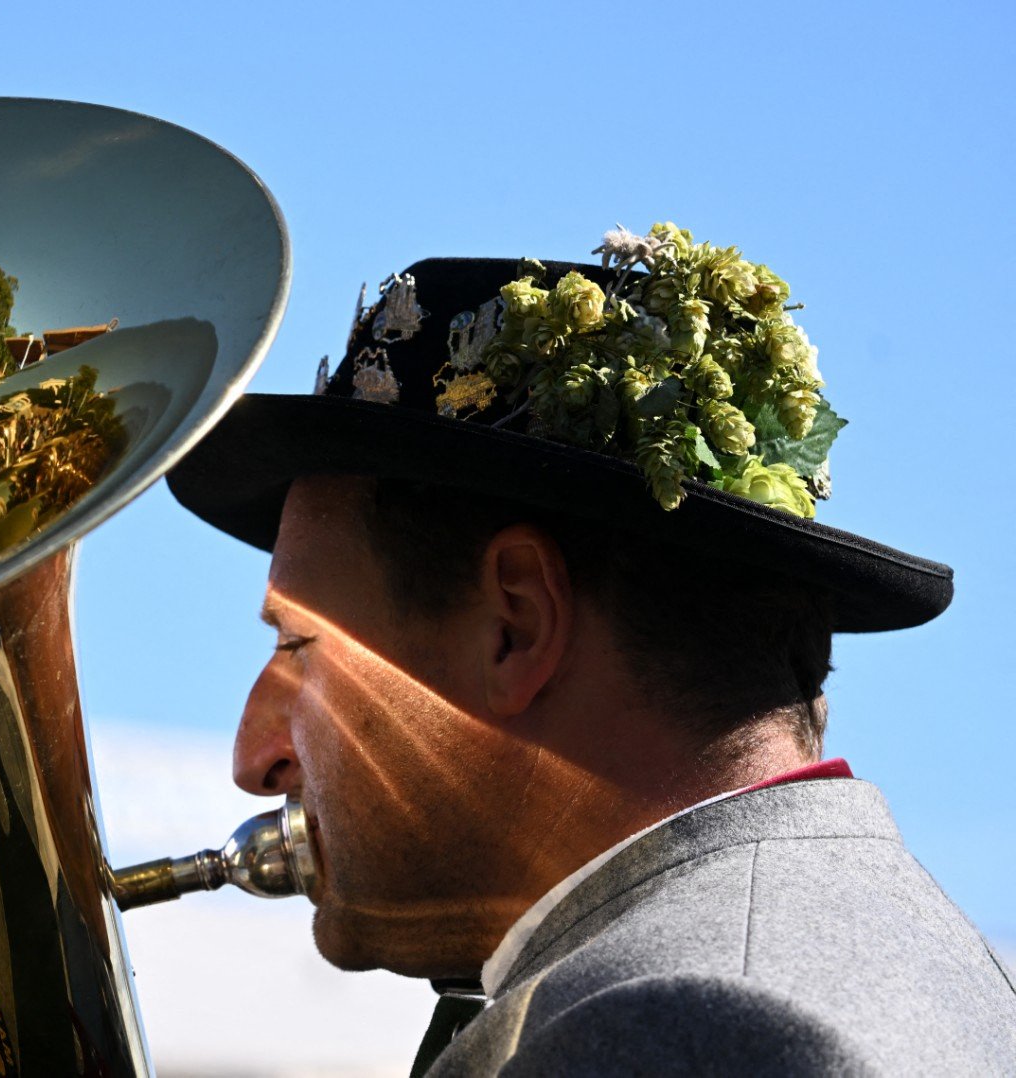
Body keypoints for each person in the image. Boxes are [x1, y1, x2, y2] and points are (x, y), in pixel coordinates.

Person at [164, 229, 1016, 1074]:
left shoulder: (684, 1028)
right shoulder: (931, 971)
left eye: (301, 646)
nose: (256, 761)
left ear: (516, 626)